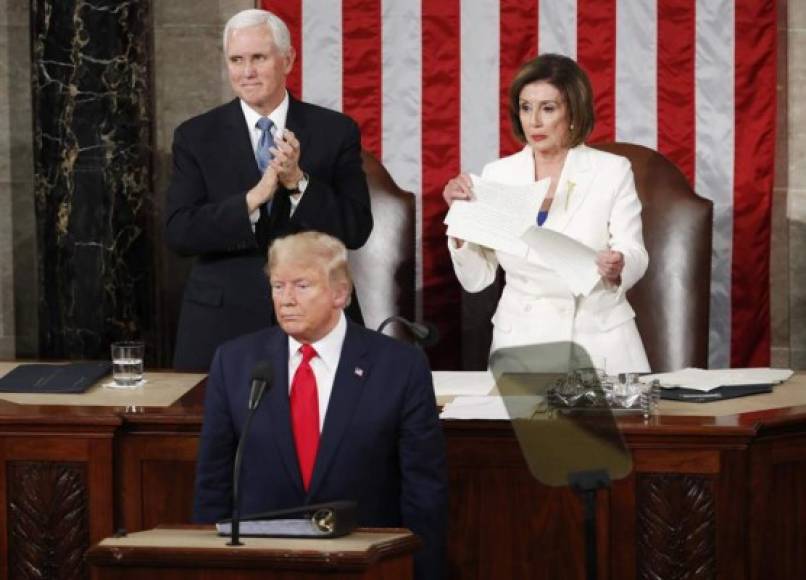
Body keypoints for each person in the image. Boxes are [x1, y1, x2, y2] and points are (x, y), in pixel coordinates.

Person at [193, 231, 448, 580]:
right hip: (261, 565)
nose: (286, 300)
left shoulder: (399, 367)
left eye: (301, 285)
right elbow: (213, 483)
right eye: (278, 286)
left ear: (340, 293)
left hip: (365, 565)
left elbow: (424, 492)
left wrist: (421, 572)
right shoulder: (235, 362)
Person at [165, 9, 372, 371]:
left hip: (316, 318)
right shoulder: (195, 136)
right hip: (221, 324)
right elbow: (180, 232)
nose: (247, 72)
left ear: (287, 59)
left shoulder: (335, 131)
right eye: (237, 60)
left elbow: (356, 228)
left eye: (258, 58)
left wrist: (298, 184)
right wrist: (250, 202)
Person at [443, 54, 650, 374]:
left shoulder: (611, 171)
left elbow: (634, 250)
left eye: (548, 108)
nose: (534, 121)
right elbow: (476, 278)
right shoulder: (498, 175)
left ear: (573, 113)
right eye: (526, 107)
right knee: (527, 426)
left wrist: (618, 264)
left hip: (597, 341)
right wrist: (459, 224)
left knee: (605, 426)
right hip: (521, 343)